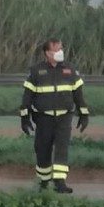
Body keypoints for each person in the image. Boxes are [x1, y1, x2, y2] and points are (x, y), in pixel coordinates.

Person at [19, 38, 90, 193]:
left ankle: (60, 182)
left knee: (62, 148)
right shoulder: (36, 71)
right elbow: (27, 97)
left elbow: (78, 95)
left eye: (61, 49)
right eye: (56, 50)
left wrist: (84, 114)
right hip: (44, 118)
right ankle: (44, 181)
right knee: (42, 149)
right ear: (47, 53)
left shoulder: (70, 70)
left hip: (64, 117)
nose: (60, 53)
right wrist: (24, 117)